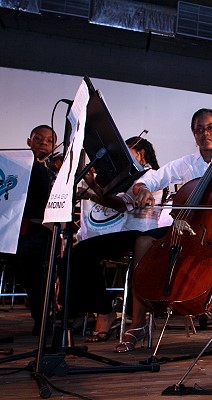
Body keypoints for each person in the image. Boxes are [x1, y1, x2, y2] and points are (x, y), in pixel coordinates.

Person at [120, 108, 212, 353]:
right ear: (193, 134)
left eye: (211, 128)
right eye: (199, 129)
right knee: (143, 242)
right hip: (186, 229)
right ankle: (138, 323)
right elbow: (150, 180)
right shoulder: (184, 163)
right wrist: (141, 188)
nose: (205, 133)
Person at [65, 136, 166, 342]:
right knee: (79, 251)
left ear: (141, 155)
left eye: (127, 153)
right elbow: (116, 201)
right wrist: (95, 187)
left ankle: (104, 311)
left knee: (84, 251)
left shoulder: (149, 176)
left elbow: (119, 205)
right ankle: (86, 310)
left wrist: (93, 185)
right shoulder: (131, 178)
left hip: (141, 235)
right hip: (124, 233)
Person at [5, 125, 56, 335]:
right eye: (38, 139)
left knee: (34, 263)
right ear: (29, 142)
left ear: (54, 147)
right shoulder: (18, 166)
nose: (43, 143)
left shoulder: (51, 171)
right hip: (14, 228)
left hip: (36, 230)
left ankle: (43, 318)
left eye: (49, 141)